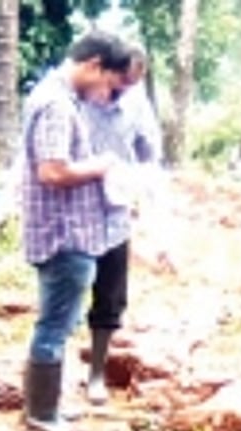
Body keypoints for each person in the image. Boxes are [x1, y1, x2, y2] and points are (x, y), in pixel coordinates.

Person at [19, 32, 134, 431]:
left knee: (58, 323)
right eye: (108, 84)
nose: (106, 95)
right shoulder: (55, 105)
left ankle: (44, 404)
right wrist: (100, 166)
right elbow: (52, 171)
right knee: (54, 325)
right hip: (64, 234)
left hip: (72, 232)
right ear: (94, 65)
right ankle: (41, 413)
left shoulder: (61, 100)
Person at [81, 43, 167, 405]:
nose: (120, 92)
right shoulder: (75, 98)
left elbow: (151, 154)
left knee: (111, 293)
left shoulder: (136, 103)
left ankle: (96, 372)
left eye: (131, 86)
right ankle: (49, 369)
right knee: (65, 288)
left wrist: (145, 194)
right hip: (73, 208)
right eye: (118, 84)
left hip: (115, 211)